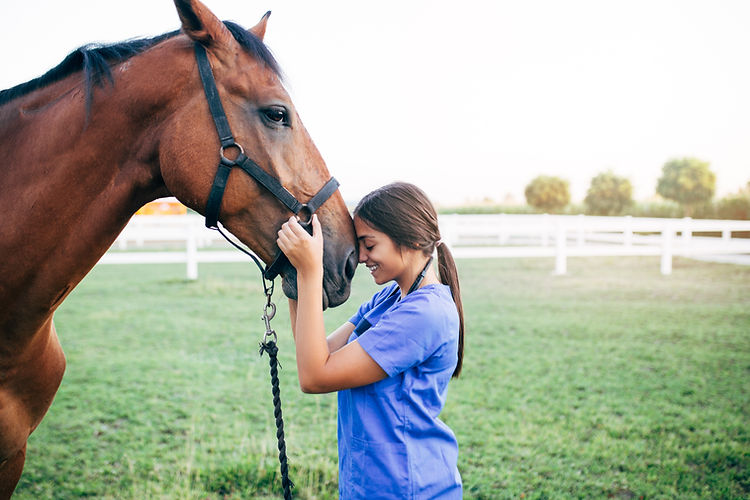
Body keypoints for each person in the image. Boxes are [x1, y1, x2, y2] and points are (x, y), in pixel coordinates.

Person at [276, 181, 465, 499]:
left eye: (369, 244)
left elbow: (315, 377)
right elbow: (314, 350)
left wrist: (311, 272)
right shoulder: (391, 298)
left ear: (413, 239)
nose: (361, 256)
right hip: (370, 484)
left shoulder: (425, 314)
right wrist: (296, 272)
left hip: (406, 487)